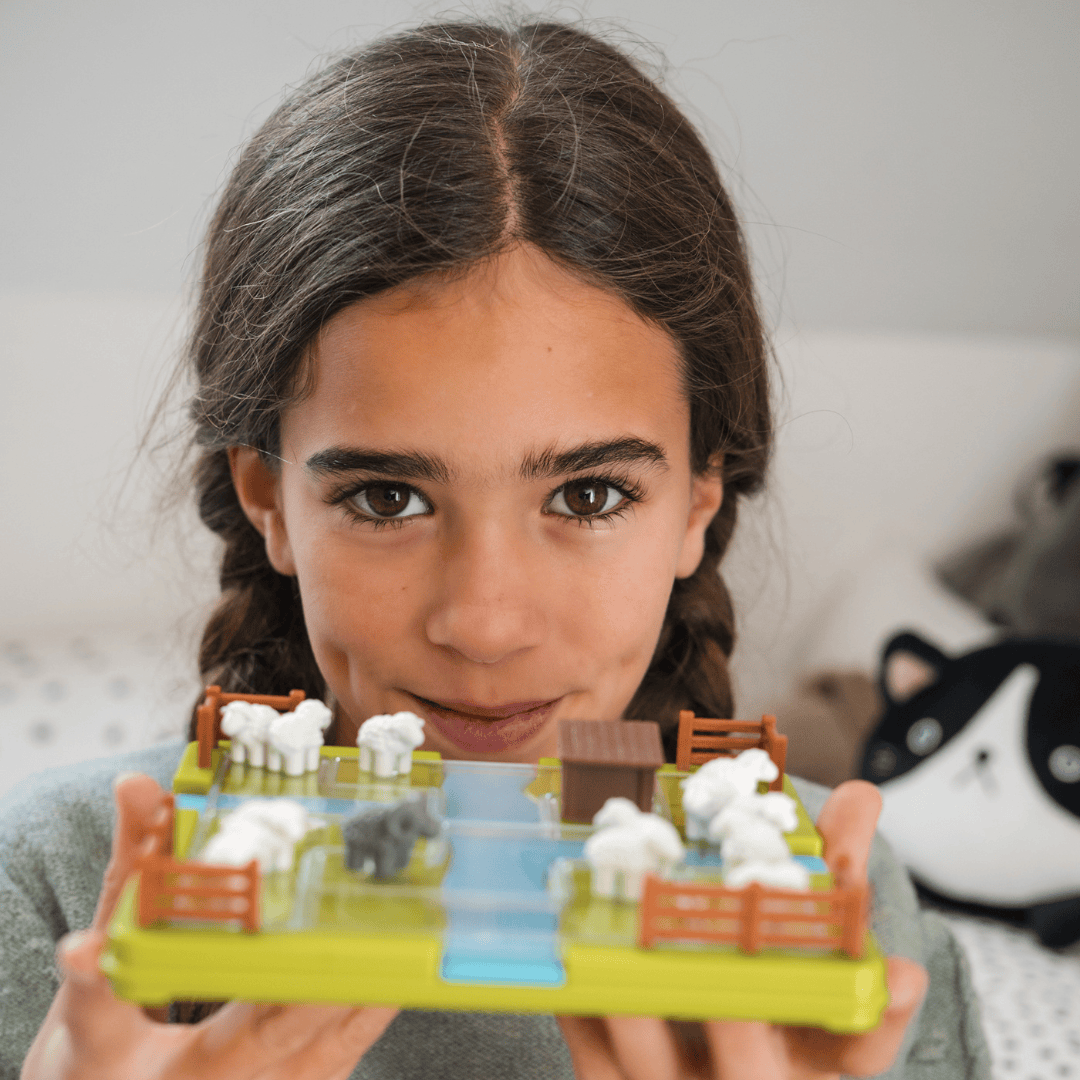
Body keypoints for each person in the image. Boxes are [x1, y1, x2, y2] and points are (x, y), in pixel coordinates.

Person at [2, 18, 989, 1080]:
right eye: (387, 498)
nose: (484, 624)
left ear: (698, 500)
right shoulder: (53, 898)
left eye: (589, 495)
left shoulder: (839, 909)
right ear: (267, 500)